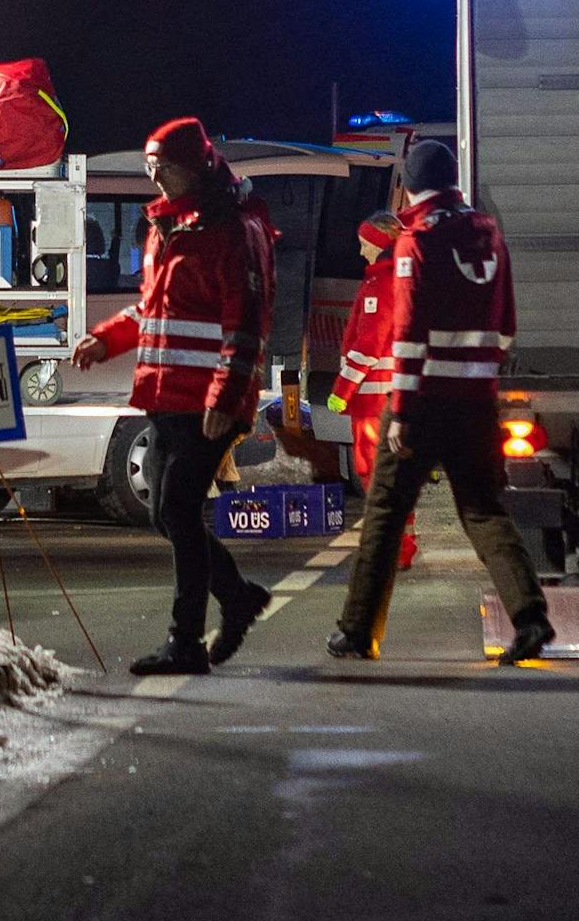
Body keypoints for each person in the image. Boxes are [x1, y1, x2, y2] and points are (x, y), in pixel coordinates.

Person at [328, 139, 553, 665]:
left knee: (385, 512)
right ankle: (530, 618)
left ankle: (358, 631)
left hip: (423, 401)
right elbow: (506, 325)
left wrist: (402, 410)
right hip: (475, 401)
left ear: (409, 186)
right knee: (484, 510)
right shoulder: (489, 234)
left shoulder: (417, 241)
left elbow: (408, 333)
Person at [71, 118, 277, 675]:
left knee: (178, 512)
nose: (155, 178)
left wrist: (225, 398)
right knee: (166, 515)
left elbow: (246, 323)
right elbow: (154, 308)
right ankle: (237, 597)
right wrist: (107, 339)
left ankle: (186, 641)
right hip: (168, 396)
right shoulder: (170, 226)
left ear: (197, 166)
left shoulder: (233, 229)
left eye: (164, 168)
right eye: (150, 168)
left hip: (206, 403)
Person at [327, 211, 420, 568]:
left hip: (375, 400)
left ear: (379, 242)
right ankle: (399, 545)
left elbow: (368, 345)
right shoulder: (398, 279)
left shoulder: (380, 285)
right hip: (391, 396)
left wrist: (342, 390)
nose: (360, 249)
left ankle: (392, 549)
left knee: (376, 473)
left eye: (364, 242)